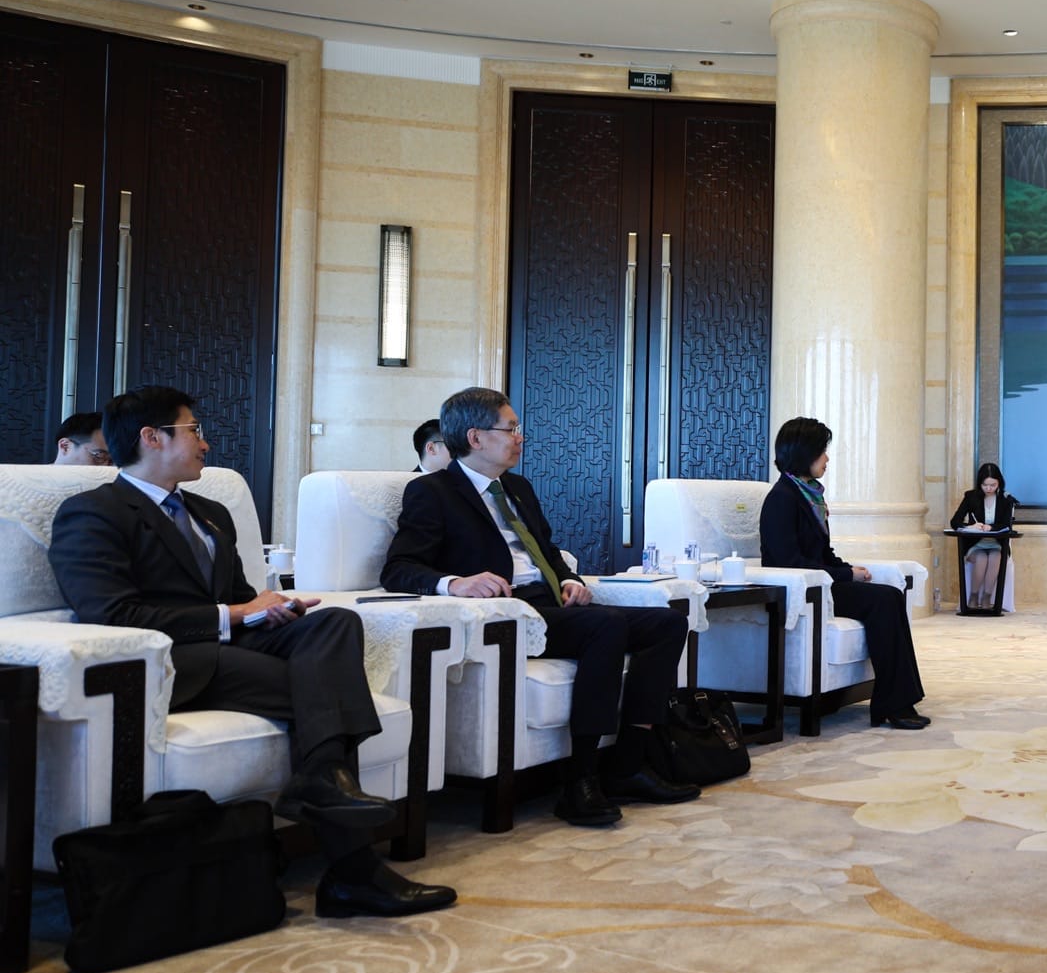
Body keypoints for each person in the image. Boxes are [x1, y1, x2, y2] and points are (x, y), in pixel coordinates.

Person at [49, 385, 455, 919]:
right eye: (194, 430)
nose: (205, 444)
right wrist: (234, 615)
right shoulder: (92, 512)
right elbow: (112, 613)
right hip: (175, 660)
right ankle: (353, 872)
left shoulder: (210, 512)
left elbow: (240, 596)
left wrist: (269, 609)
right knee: (325, 692)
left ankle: (321, 786)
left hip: (232, 641)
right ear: (152, 437)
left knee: (333, 622)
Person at [381, 387, 696, 826]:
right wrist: (455, 583)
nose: (520, 437)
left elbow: (545, 550)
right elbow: (398, 568)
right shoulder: (432, 491)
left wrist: (569, 580)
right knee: (605, 626)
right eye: (510, 428)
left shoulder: (517, 487)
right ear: (475, 437)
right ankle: (580, 781)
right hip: (507, 614)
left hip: (549, 604)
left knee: (667, 623)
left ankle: (629, 765)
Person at [761, 416, 928, 729]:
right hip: (803, 591)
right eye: (822, 452)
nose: (826, 459)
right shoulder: (781, 499)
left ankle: (898, 700)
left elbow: (822, 553)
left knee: (891, 596)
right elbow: (789, 562)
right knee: (883, 600)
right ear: (804, 454)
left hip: (823, 584)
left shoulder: (809, 495)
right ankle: (894, 704)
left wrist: (848, 569)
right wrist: (846, 576)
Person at [949, 462, 1017, 611]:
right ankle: (973, 596)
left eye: (993, 485)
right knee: (981, 558)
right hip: (975, 544)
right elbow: (955, 521)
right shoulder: (971, 497)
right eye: (985, 485)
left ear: (999, 483)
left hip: (997, 544)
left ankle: (987, 597)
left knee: (995, 557)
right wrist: (969, 527)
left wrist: (991, 527)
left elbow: (1006, 525)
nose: (989, 489)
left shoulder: (1005, 499)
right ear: (979, 483)